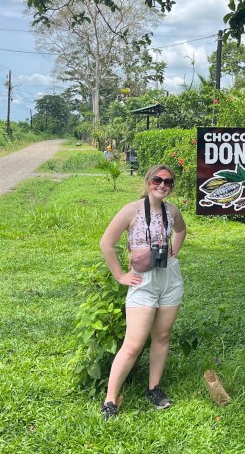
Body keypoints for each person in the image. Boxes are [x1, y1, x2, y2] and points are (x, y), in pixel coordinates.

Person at [100, 164, 187, 419]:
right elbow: (106, 243)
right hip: (143, 280)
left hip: (169, 278)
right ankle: (110, 400)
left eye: (168, 182)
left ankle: (154, 389)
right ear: (148, 181)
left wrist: (174, 251)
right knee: (133, 344)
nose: (162, 185)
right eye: (157, 180)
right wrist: (120, 275)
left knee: (162, 335)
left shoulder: (172, 210)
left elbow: (181, 230)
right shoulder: (132, 210)